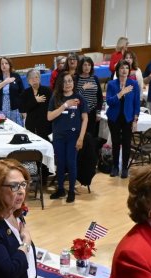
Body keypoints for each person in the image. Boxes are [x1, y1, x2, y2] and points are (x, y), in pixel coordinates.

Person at [47, 71, 88, 203]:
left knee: (71, 163)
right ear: (60, 84)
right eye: (64, 81)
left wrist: (81, 138)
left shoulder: (79, 98)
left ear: (73, 82)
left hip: (73, 136)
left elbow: (85, 119)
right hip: (59, 136)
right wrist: (65, 105)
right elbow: (49, 117)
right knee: (60, 163)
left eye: (70, 81)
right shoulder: (56, 97)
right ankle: (60, 189)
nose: (68, 84)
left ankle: (71, 191)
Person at [105, 60, 140, 179]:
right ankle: (115, 167)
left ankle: (124, 168)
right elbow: (109, 101)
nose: (124, 70)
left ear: (129, 70)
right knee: (115, 143)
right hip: (114, 117)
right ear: (118, 70)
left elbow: (136, 103)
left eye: (126, 68)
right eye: (122, 68)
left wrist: (135, 119)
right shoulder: (111, 84)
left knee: (126, 143)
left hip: (128, 117)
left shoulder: (133, 84)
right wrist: (121, 93)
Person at [0, 57, 24, 126]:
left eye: (6, 63)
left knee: (14, 128)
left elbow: (22, 93)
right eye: (2, 64)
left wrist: (23, 110)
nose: (4, 65)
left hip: (14, 110)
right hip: (0, 110)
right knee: (1, 128)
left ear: (10, 65)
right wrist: (5, 82)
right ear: (0, 66)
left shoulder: (16, 76)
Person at [19, 68, 52, 140]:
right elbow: (22, 108)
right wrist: (35, 100)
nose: (34, 80)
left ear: (40, 79)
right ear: (28, 81)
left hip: (46, 125)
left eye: (36, 77)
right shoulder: (25, 93)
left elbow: (52, 106)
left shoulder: (47, 91)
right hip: (31, 125)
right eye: (31, 78)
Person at [74, 56, 103, 137]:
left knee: (91, 136)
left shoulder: (95, 78)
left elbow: (99, 97)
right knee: (80, 135)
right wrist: (83, 88)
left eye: (89, 65)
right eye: (85, 65)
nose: (87, 67)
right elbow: (74, 97)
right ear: (81, 66)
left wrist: (98, 112)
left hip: (92, 111)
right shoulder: (76, 78)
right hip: (80, 112)